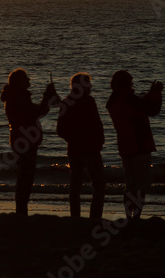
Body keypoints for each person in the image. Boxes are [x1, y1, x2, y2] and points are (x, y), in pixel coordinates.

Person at [106, 70, 163, 219]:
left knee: (130, 184)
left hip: (125, 146)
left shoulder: (114, 100)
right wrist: (156, 93)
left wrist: (151, 94)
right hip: (139, 145)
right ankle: (136, 217)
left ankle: (129, 216)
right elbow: (151, 110)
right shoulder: (127, 99)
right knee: (139, 185)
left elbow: (140, 106)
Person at [0, 68, 56, 216]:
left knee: (24, 176)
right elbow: (38, 112)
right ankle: (21, 211)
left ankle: (21, 210)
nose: (29, 80)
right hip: (25, 141)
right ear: (20, 82)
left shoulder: (14, 97)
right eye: (26, 79)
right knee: (26, 177)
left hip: (19, 139)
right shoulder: (19, 98)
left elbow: (36, 113)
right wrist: (47, 96)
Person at [56, 72, 106, 220]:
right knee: (99, 184)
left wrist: (72, 139)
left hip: (74, 149)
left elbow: (60, 130)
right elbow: (97, 124)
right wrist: (98, 141)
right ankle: (95, 217)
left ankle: (75, 217)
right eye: (87, 83)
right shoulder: (88, 101)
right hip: (89, 149)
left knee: (76, 184)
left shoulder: (66, 102)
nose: (90, 86)